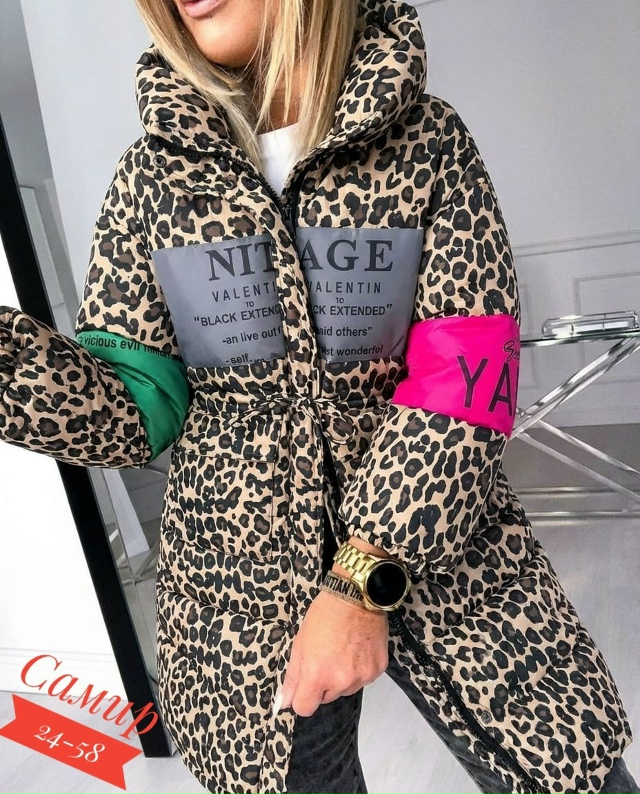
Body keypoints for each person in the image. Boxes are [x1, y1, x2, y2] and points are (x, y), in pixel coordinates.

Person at [0, 0, 638, 792]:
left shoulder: (428, 143)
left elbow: (466, 385)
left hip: (450, 543)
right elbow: (134, 407)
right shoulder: (150, 182)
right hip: (237, 591)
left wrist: (363, 580)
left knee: (571, 772)